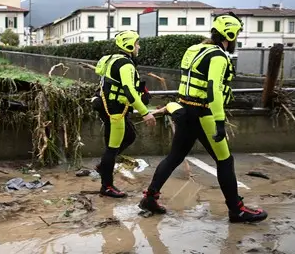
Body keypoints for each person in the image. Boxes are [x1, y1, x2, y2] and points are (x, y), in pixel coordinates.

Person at [138, 12, 268, 223]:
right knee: (225, 161)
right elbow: (213, 90)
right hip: (204, 113)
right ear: (230, 34)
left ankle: (150, 198)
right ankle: (237, 210)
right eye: (236, 35)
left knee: (174, 157)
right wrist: (219, 122)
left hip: (185, 110)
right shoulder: (218, 56)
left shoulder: (194, 49)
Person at [91, 30, 156, 198]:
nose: (138, 46)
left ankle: (103, 166)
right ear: (129, 45)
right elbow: (128, 90)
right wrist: (145, 113)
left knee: (129, 135)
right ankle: (107, 186)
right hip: (115, 110)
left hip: (108, 106)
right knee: (112, 148)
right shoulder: (126, 65)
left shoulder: (112, 59)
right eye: (136, 43)